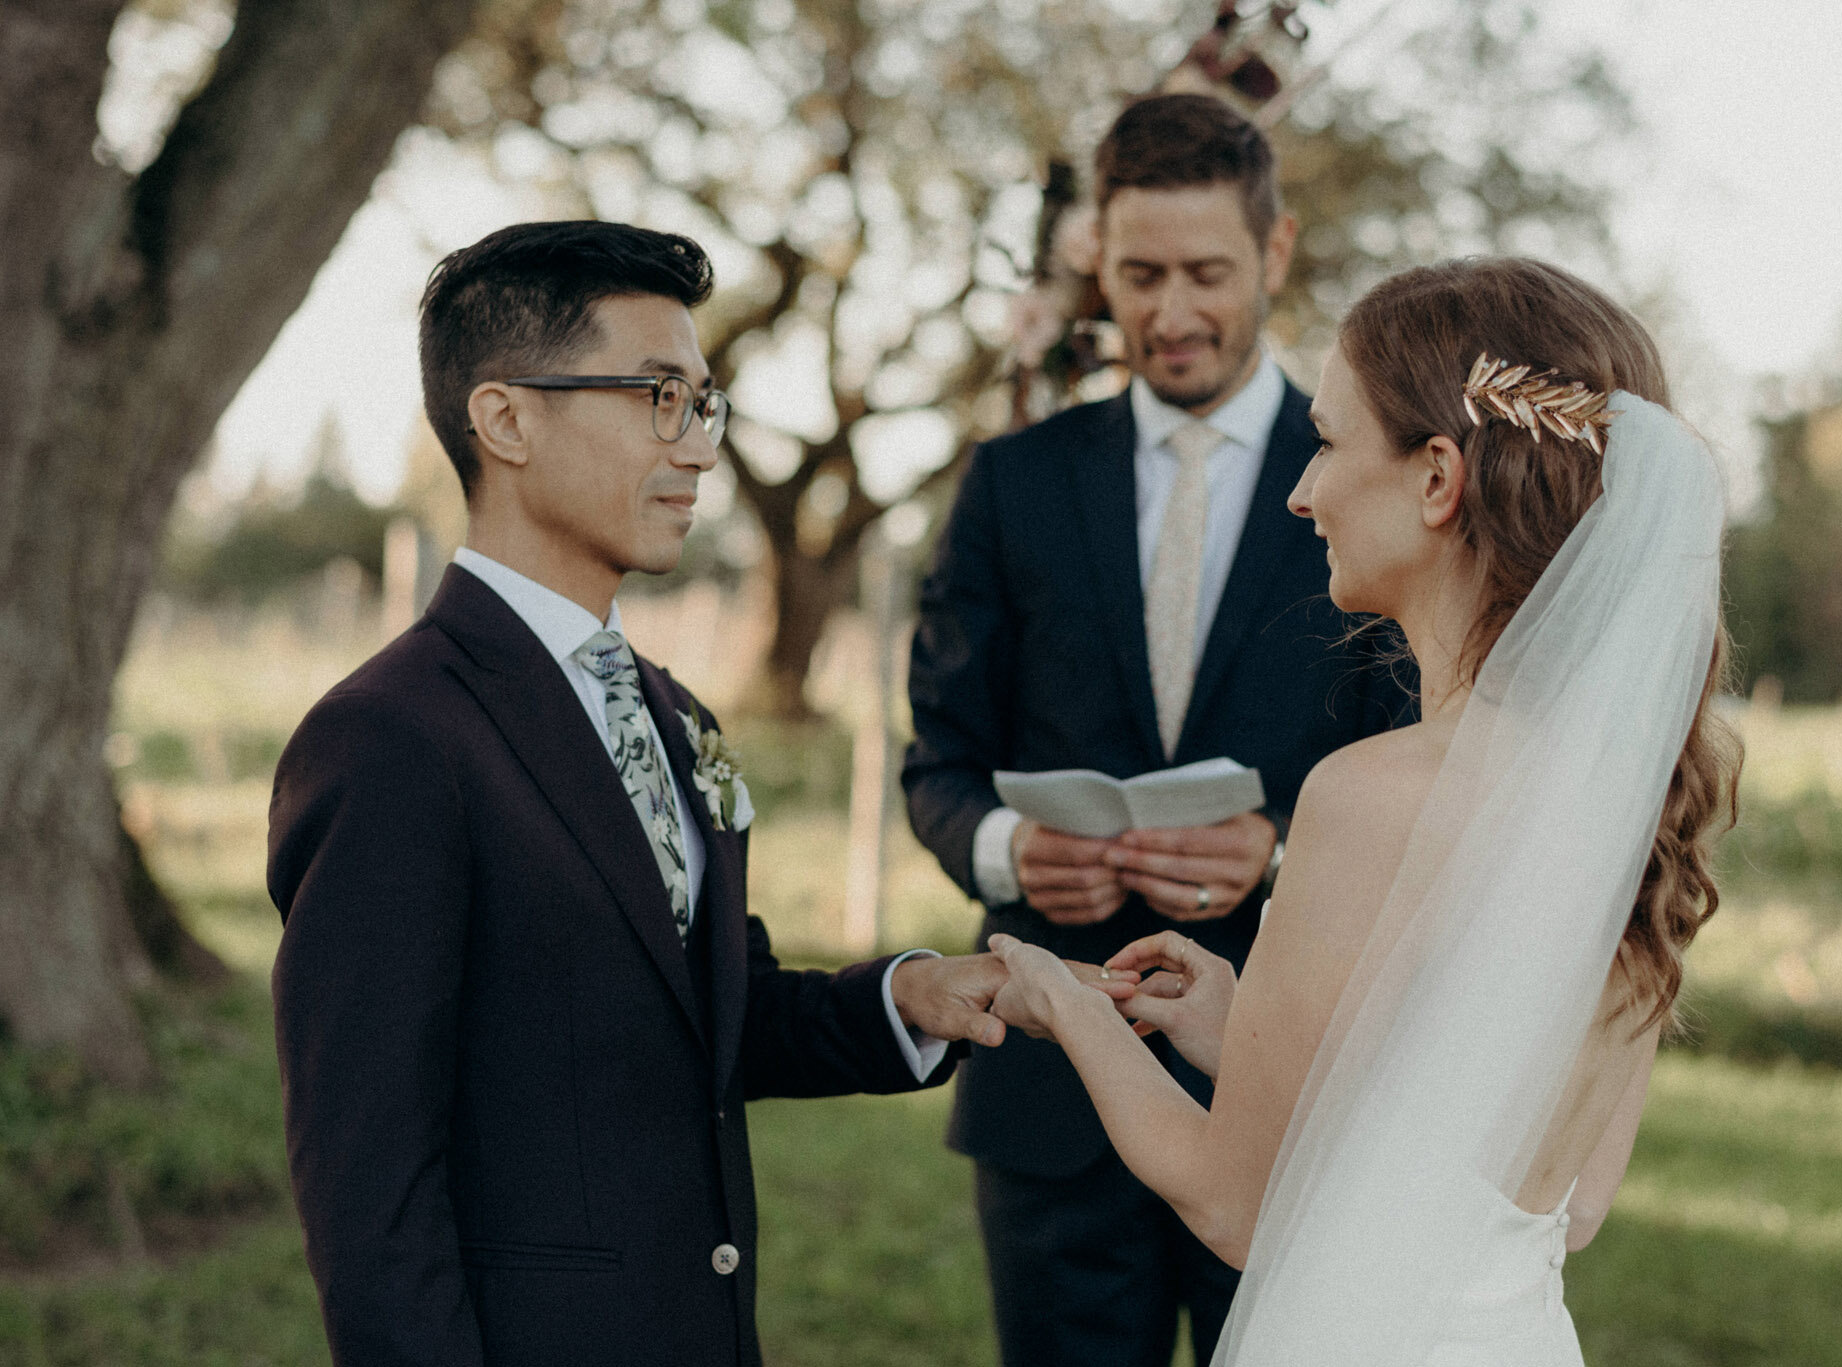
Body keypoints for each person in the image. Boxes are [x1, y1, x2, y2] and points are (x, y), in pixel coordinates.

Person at [267, 221, 1050, 1367]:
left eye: (703, 402)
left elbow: (705, 1021)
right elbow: (367, 1188)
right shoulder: (389, 737)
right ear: (506, 418)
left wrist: (912, 993)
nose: (696, 447)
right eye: (655, 395)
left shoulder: (676, 716)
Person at [985, 256, 1741, 1366]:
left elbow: (1235, 1208)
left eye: (1329, 442)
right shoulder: (1624, 802)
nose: (1300, 490)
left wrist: (1065, 999)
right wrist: (1245, 1034)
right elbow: (1565, 1198)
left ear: (1436, 477)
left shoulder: (1366, 794)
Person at [901, 92, 1415, 1367]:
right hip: (1048, 1089)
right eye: (1138, 276)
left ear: (1275, 254)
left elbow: (1420, 763)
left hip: (1286, 1077)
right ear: (1097, 267)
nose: (1170, 312)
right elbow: (936, 763)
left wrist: (1285, 852)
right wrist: (1009, 851)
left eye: (1205, 273)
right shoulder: (1013, 481)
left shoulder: (1370, 476)